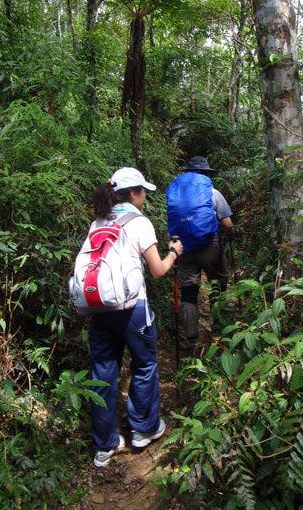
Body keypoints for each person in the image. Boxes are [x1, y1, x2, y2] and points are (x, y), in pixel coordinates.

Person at [88, 167, 183, 468]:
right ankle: (143, 429)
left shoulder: (98, 221)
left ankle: (105, 445)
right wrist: (174, 253)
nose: (145, 197)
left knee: (102, 372)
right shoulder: (139, 222)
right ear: (132, 193)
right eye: (143, 191)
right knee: (144, 364)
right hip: (132, 309)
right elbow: (158, 270)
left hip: (100, 309)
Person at [167, 156, 234, 348]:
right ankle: (221, 331)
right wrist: (233, 234)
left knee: (188, 292)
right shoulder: (213, 193)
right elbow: (227, 223)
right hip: (210, 246)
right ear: (206, 174)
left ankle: (190, 339)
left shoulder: (176, 195)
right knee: (218, 285)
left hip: (183, 247)